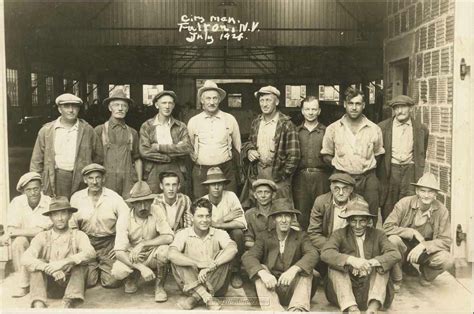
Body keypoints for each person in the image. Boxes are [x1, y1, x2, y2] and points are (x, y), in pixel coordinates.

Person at [321, 198, 401, 314]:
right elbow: (326, 253)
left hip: (371, 288)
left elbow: (395, 254)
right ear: (348, 221)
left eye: (362, 221)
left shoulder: (378, 235)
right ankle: (352, 308)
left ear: (368, 221)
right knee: (335, 268)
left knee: (383, 266)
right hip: (345, 291)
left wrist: (372, 262)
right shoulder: (339, 234)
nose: (358, 226)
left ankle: (373, 307)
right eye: (353, 221)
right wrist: (351, 261)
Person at [321, 87, 384, 224]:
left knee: (370, 216)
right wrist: (340, 164)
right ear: (344, 104)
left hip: (368, 178)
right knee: (343, 215)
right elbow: (326, 154)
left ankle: (368, 243)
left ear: (363, 105)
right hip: (343, 177)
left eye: (358, 104)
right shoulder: (333, 128)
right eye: (351, 103)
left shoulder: (374, 129)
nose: (354, 108)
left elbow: (378, 154)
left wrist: (364, 165)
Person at [242, 199, 318, 312]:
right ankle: (274, 310)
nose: (283, 220)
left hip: (294, 291)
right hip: (270, 289)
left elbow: (313, 254)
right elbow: (249, 257)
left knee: (307, 270)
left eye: (287, 216)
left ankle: (297, 309)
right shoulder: (264, 237)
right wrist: (263, 274)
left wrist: (294, 269)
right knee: (260, 268)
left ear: (292, 218)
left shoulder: (301, 236)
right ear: (274, 219)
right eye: (279, 216)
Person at [21, 197, 96, 308]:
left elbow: (91, 252)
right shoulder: (42, 236)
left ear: (70, 215)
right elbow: (25, 258)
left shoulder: (78, 235)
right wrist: (47, 268)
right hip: (50, 285)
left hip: (72, 285)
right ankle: (38, 303)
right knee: (37, 264)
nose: (60, 218)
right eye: (55, 214)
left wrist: (65, 262)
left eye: (64, 213)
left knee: (80, 264)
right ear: (50, 217)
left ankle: (69, 302)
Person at [383, 173, 454, 289]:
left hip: (425, 252)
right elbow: (387, 227)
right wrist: (412, 232)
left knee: (448, 259)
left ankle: (426, 275)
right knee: (393, 240)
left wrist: (424, 245)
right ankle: (397, 278)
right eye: (423, 191)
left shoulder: (442, 211)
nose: (426, 195)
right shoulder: (404, 203)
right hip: (403, 248)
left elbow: (445, 240)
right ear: (417, 191)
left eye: (430, 192)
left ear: (435, 194)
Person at [168, 198, 238, 310]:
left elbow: (232, 249)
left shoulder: (219, 233)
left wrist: (212, 265)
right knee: (178, 257)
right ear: (192, 217)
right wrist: (198, 263)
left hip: (215, 283)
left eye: (208, 216)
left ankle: (195, 298)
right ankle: (206, 297)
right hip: (189, 283)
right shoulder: (183, 234)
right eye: (200, 216)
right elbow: (171, 254)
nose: (204, 220)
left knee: (225, 256)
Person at [30, 93, 103, 198]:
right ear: (60, 109)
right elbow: (36, 161)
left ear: (79, 109)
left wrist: (90, 177)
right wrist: (35, 184)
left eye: (74, 106)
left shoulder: (88, 130)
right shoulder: (47, 131)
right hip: (57, 178)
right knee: (59, 209)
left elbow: (99, 158)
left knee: (80, 209)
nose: (71, 110)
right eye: (66, 106)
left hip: (81, 179)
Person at [69, 163, 129, 288]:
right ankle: (94, 267)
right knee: (89, 281)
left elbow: (125, 222)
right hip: (87, 241)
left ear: (103, 179)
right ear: (85, 180)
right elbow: (72, 226)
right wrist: (80, 247)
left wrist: (119, 246)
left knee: (112, 282)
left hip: (108, 243)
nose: (95, 182)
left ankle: (105, 265)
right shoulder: (76, 198)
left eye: (98, 178)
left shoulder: (114, 198)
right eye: (90, 178)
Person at [111, 181, 174, 302]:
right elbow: (119, 251)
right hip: (133, 256)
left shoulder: (157, 210)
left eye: (146, 202)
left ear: (151, 201)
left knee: (165, 250)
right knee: (118, 271)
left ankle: (159, 286)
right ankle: (132, 276)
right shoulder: (124, 216)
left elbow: (169, 237)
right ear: (132, 204)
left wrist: (143, 243)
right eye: (139, 203)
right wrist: (141, 268)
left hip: (152, 254)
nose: (143, 207)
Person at [241, 85, 300, 206]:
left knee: (281, 209)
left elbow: (294, 156)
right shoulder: (256, 122)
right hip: (259, 173)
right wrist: (249, 150)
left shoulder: (286, 124)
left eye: (268, 100)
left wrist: (281, 176)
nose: (264, 104)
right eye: (261, 100)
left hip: (278, 175)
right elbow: (249, 142)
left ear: (276, 102)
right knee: (259, 208)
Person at [377, 95, 429, 221]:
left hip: (410, 172)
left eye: (403, 107)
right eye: (396, 108)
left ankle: (406, 237)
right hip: (391, 171)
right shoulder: (382, 127)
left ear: (410, 108)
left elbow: (422, 152)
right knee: (389, 206)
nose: (399, 111)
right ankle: (389, 236)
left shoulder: (421, 129)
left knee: (410, 205)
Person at [1, 172, 53, 297]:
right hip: (25, 241)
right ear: (23, 191)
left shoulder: (49, 202)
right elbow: (12, 228)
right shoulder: (17, 202)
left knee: (35, 239)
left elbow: (42, 231)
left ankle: (39, 282)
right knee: (19, 242)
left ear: (41, 188)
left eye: (36, 189)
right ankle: (23, 284)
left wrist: (14, 232)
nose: (33, 193)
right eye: (28, 190)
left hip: (43, 242)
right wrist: (16, 232)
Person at [187, 80, 242, 198]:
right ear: (202, 100)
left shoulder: (229, 119)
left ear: (219, 100)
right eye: (208, 98)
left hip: (226, 170)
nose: (211, 102)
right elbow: (190, 147)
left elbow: (238, 147)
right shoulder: (194, 121)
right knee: (201, 205)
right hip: (201, 171)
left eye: (215, 98)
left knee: (229, 202)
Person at [307, 173, 365, 277]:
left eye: (345, 189)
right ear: (331, 188)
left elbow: (365, 231)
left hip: (351, 245)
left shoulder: (359, 202)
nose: (341, 193)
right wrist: (332, 248)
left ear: (351, 189)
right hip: (328, 244)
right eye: (337, 189)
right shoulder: (321, 201)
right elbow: (313, 232)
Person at [201, 167, 247, 289]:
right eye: (212, 184)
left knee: (238, 233)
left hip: (229, 233)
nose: (216, 187)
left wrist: (218, 224)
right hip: (211, 235)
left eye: (219, 184)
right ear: (207, 187)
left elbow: (242, 224)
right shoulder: (203, 201)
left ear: (224, 185)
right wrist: (225, 218)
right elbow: (202, 226)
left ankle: (236, 272)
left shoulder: (231, 196)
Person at [139, 90, 193, 194]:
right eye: (163, 103)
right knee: (153, 200)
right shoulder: (147, 126)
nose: (167, 106)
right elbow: (144, 151)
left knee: (177, 198)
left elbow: (187, 148)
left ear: (173, 106)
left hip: (176, 167)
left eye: (170, 103)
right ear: (156, 105)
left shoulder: (180, 126)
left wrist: (159, 147)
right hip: (153, 169)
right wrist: (169, 156)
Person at [94, 88, 143, 199]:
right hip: (106, 180)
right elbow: (93, 160)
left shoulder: (133, 133)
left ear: (127, 109)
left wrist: (139, 182)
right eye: (116, 105)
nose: (120, 108)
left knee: (128, 209)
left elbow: (137, 158)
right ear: (110, 108)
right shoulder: (99, 130)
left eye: (124, 106)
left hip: (128, 181)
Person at [292, 96, 330, 229]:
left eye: (314, 109)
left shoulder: (327, 131)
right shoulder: (295, 132)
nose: (310, 112)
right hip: (300, 178)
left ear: (319, 111)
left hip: (322, 177)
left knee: (322, 211)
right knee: (301, 213)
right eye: (307, 109)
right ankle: (304, 245)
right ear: (302, 111)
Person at [244, 181, 300, 249]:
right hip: (259, 249)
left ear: (273, 195)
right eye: (259, 192)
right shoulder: (249, 214)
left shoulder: (282, 210)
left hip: (282, 248)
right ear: (255, 195)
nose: (263, 196)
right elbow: (247, 240)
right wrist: (265, 247)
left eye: (267, 192)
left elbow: (296, 229)